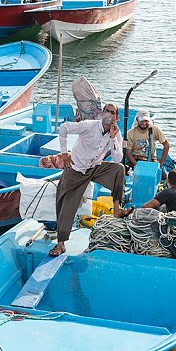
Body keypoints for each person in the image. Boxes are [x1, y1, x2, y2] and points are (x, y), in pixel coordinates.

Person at [49, 102, 131, 257]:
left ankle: (117, 208)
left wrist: (113, 138)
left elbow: (118, 158)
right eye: (107, 111)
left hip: (95, 168)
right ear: (102, 114)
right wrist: (64, 153)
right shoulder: (89, 126)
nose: (109, 114)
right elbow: (64, 128)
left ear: (117, 117)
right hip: (77, 170)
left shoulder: (116, 133)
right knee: (67, 204)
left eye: (113, 112)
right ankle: (61, 244)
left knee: (119, 169)